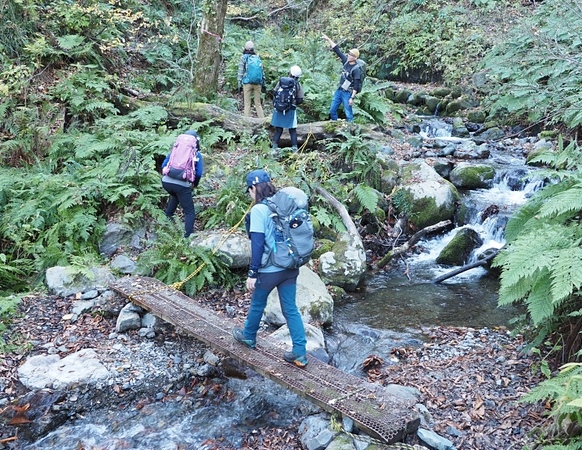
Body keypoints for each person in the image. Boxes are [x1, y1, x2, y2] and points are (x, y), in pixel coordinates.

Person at [232, 169, 309, 368]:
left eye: (249, 190)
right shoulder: (283, 202)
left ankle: (248, 336)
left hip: (270, 269)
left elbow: (257, 244)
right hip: (290, 266)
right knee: (290, 309)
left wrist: (252, 273)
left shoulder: (259, 210)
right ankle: (300, 353)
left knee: (258, 303)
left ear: (253, 188)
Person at [161, 130, 204, 238]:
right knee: (189, 211)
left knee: (175, 196)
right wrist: (195, 184)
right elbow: (198, 173)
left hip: (166, 182)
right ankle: (187, 238)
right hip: (182, 185)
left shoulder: (174, 151)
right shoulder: (197, 154)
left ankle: (166, 222)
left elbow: (164, 165)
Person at [321, 33, 362, 122]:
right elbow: (337, 50)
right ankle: (335, 126)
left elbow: (356, 84)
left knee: (348, 114)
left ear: (355, 58)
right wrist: (328, 39)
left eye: (351, 55)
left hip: (348, 93)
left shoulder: (356, 69)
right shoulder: (346, 61)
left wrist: (352, 98)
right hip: (339, 90)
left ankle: (351, 132)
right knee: (332, 110)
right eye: (349, 53)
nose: (349, 55)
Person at [271, 65, 304, 153]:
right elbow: (300, 99)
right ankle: (294, 150)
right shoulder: (297, 84)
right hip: (290, 110)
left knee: (278, 130)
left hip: (279, 109)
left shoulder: (281, 81)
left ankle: (274, 149)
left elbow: (274, 92)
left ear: (290, 73)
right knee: (292, 130)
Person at [237, 41, 265, 119]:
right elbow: (262, 71)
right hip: (258, 83)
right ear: (253, 48)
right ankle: (262, 121)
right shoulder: (257, 57)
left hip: (247, 83)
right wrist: (264, 83)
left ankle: (246, 122)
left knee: (247, 104)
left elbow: (240, 72)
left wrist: (239, 84)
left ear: (245, 48)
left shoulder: (243, 58)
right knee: (258, 104)